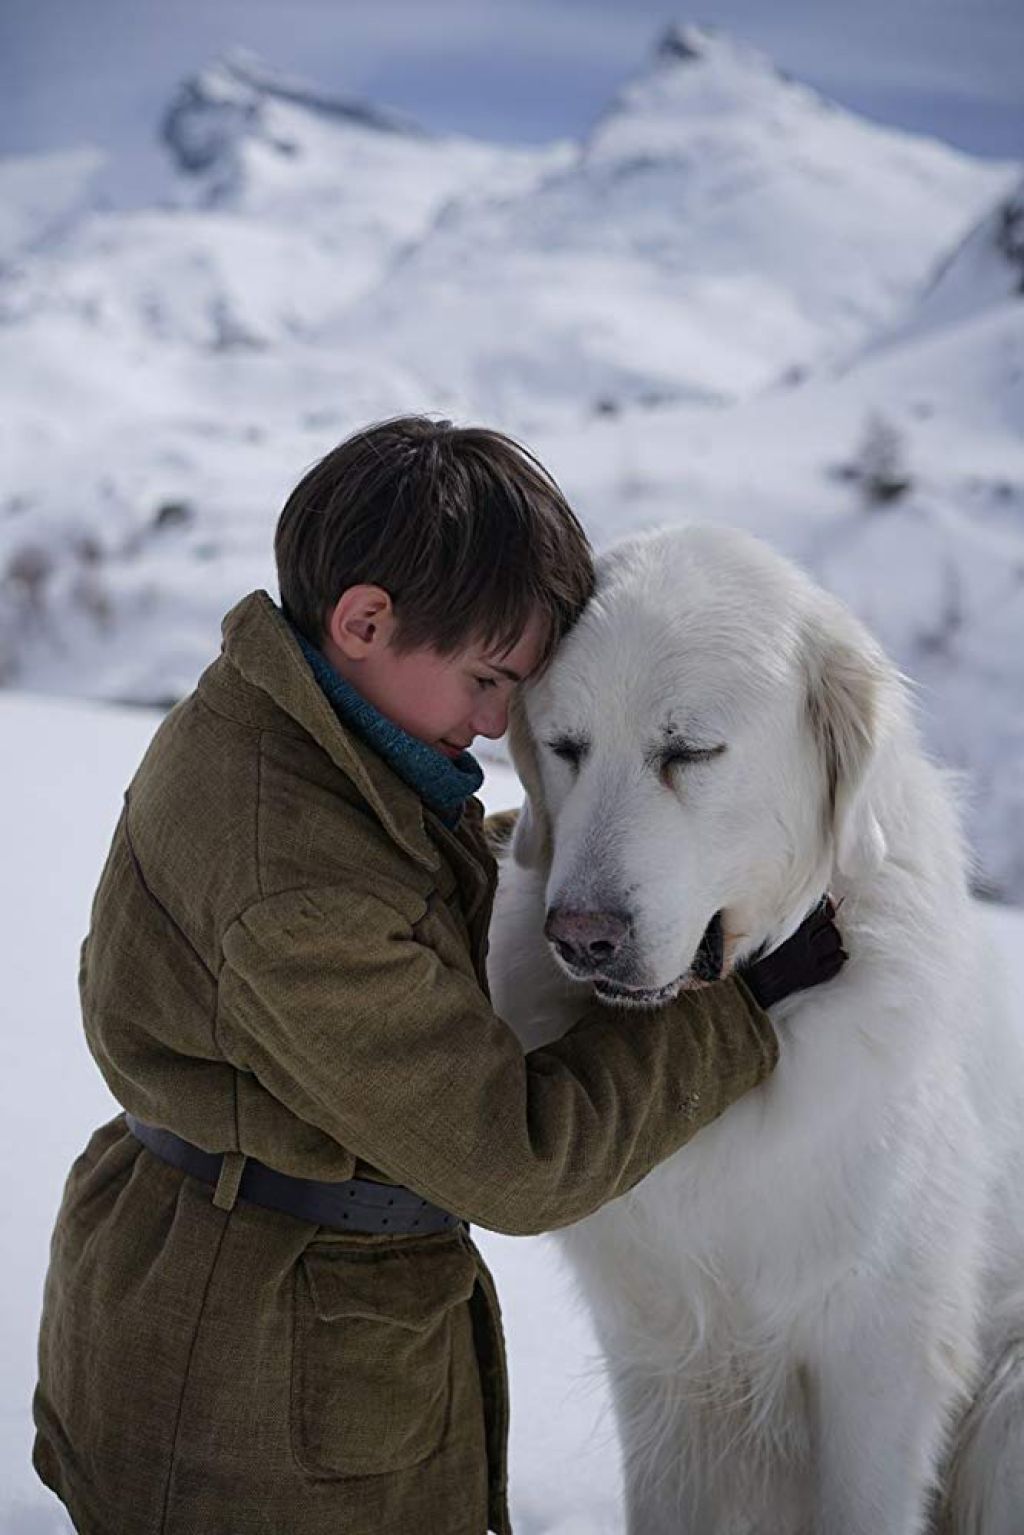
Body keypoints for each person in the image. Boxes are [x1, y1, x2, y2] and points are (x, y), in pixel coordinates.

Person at [32, 416, 845, 1535]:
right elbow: (512, 1160)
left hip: (232, 1296)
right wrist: (737, 1008)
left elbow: (393, 885)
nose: (502, 718)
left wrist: (623, 870)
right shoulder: (292, 879)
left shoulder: (287, 727)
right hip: (266, 1382)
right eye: (486, 676)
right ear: (365, 619)